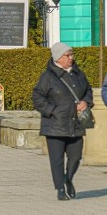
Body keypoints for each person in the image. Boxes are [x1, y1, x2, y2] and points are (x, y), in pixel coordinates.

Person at [32, 42, 94, 201]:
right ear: (58, 58)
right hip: (54, 125)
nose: (71, 58)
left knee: (75, 157)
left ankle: (68, 179)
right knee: (57, 160)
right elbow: (37, 97)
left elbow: (88, 90)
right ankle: (60, 189)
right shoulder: (48, 77)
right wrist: (51, 111)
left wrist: (86, 102)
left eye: (72, 54)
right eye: (68, 55)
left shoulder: (78, 74)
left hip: (75, 124)